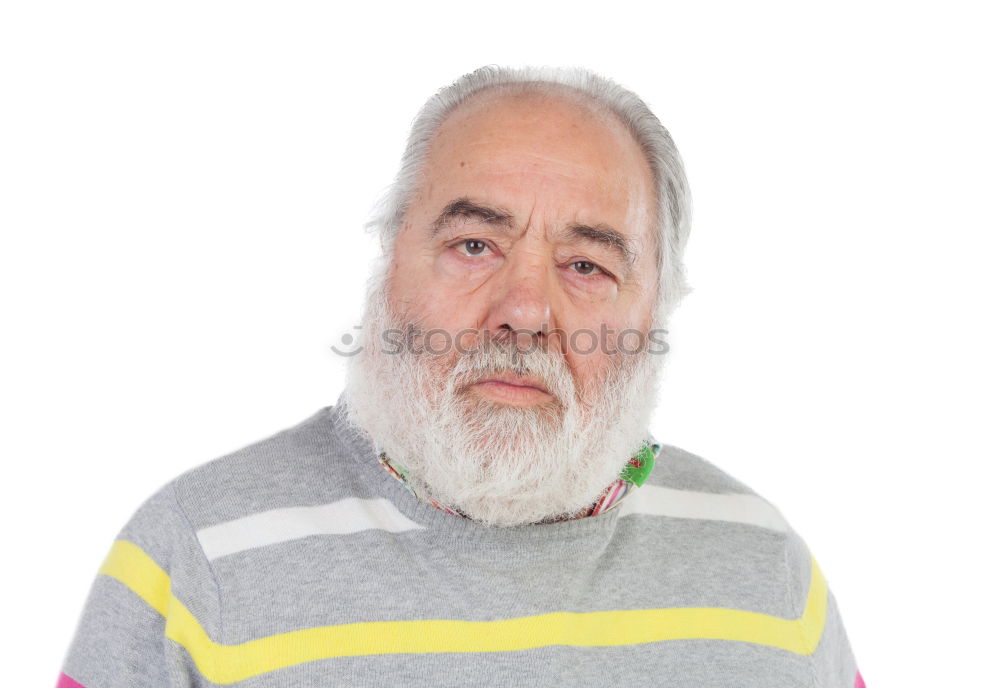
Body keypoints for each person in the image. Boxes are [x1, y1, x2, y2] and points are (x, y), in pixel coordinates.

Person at [56, 65, 865, 687]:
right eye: (475, 245)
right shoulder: (193, 558)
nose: (524, 310)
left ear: (655, 308)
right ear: (390, 264)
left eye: (586, 264)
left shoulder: (768, 574)